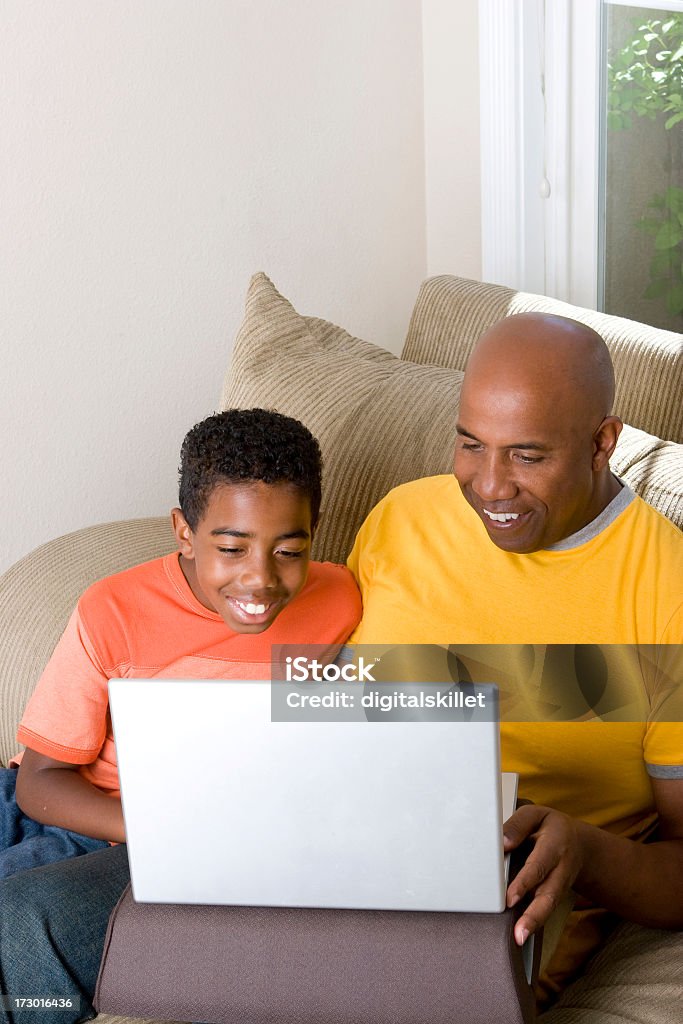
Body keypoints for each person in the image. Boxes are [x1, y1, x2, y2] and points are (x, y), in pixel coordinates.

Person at [347, 312, 683, 1013]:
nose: (489, 486)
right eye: (470, 445)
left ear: (601, 443)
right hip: (342, 864)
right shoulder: (398, 520)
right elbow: (320, 696)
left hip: (484, 929)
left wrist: (584, 852)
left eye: (526, 456)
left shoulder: (666, 589)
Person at [0, 407, 361, 1022]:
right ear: (185, 532)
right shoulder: (112, 609)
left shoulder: (341, 602)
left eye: (290, 549)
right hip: (68, 804)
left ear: (314, 532)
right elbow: (40, 781)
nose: (261, 579)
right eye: (231, 547)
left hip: (142, 842)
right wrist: (159, 827)